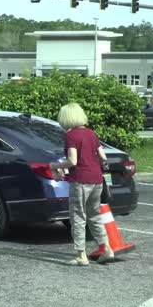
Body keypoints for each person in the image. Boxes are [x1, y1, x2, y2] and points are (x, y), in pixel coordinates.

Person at [49, 103, 115, 266]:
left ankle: (81, 255)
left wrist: (54, 166)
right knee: (94, 215)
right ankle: (107, 248)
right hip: (96, 179)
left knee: (78, 217)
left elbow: (72, 161)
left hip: (80, 180)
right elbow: (102, 157)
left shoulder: (71, 135)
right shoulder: (91, 133)